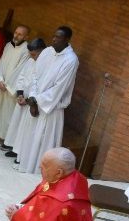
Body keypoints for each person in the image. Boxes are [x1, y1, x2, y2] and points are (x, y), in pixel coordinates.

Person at [14, 27, 80, 174]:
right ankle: (25, 165)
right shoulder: (47, 52)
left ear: (67, 40)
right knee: (31, 137)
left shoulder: (71, 60)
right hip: (35, 103)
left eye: (59, 37)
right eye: (54, 36)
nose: (54, 39)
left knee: (43, 141)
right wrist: (32, 97)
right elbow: (35, 76)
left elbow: (59, 88)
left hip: (51, 108)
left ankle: (39, 171)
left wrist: (37, 100)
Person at [2, 38, 47, 159]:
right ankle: (12, 145)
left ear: (41, 51)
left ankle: (19, 150)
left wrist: (29, 99)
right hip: (23, 98)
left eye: (33, 54)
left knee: (25, 128)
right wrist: (20, 94)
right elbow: (21, 77)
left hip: (32, 101)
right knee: (16, 124)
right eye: (30, 54)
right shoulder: (30, 61)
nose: (31, 57)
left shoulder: (46, 64)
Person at [0, 25, 31, 140]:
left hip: (10, 87)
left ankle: (5, 137)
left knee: (7, 113)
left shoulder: (26, 50)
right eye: (16, 32)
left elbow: (20, 70)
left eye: (20, 34)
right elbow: (1, 62)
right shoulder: (8, 46)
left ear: (26, 36)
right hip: (2, 83)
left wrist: (7, 84)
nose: (16, 35)